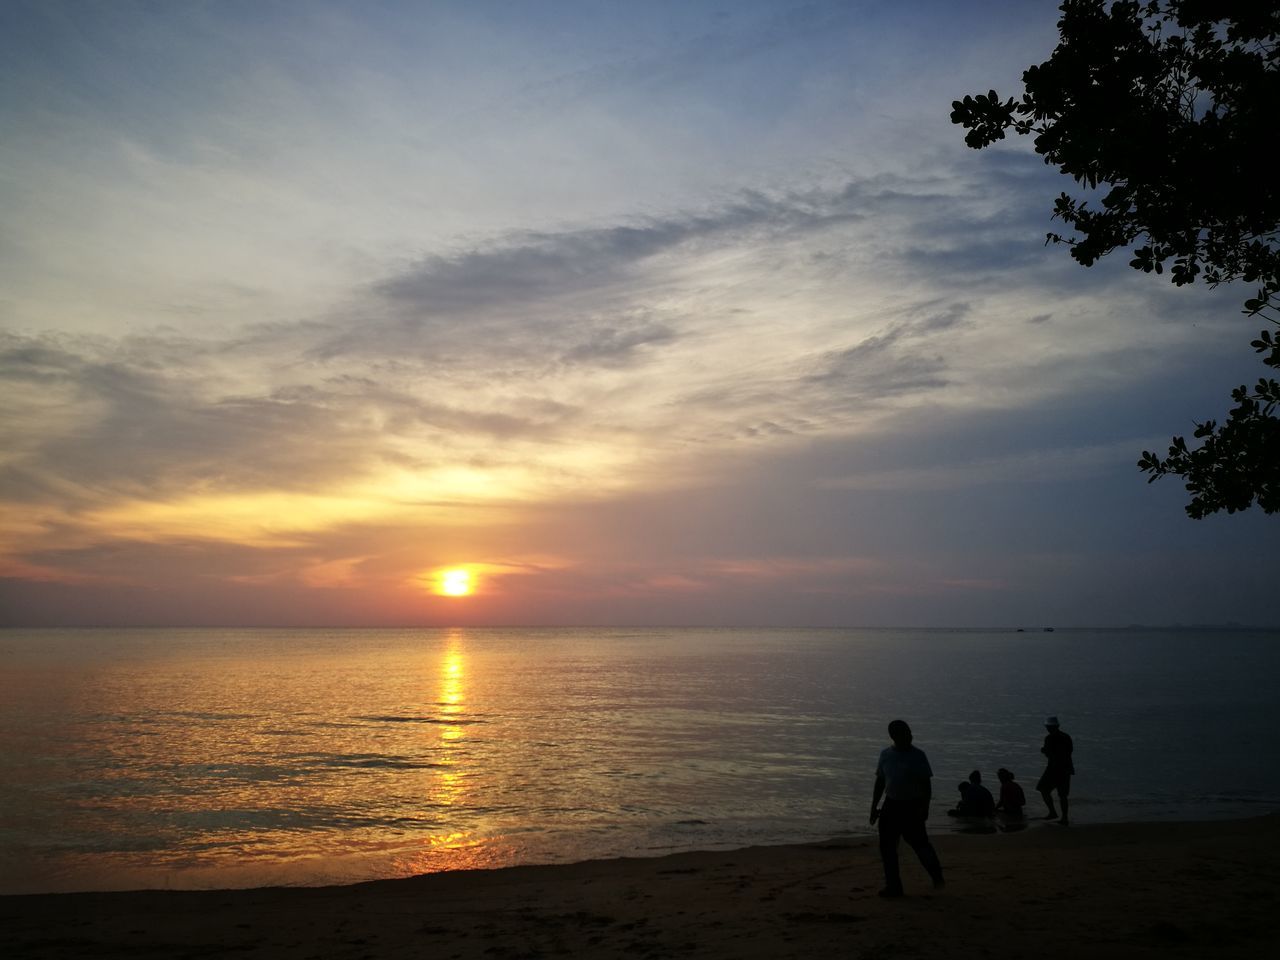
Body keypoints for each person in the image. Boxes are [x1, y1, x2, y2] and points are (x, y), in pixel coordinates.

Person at [869, 719, 945, 898]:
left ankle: (937, 876)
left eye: (910, 733)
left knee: (920, 844)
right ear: (895, 736)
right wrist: (874, 807)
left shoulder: (918, 755)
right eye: (906, 734)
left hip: (912, 805)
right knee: (887, 847)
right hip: (891, 805)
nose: (910, 736)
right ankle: (894, 887)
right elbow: (880, 781)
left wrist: (925, 807)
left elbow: (926, 785)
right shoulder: (886, 754)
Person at [1036, 716, 1074, 824]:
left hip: (1054, 769)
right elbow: (1070, 751)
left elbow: (1049, 754)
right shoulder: (1066, 736)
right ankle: (1064, 817)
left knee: (1043, 789)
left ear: (1049, 727)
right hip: (1066, 768)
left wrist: (1044, 751)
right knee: (1063, 795)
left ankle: (1052, 812)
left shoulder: (1049, 738)